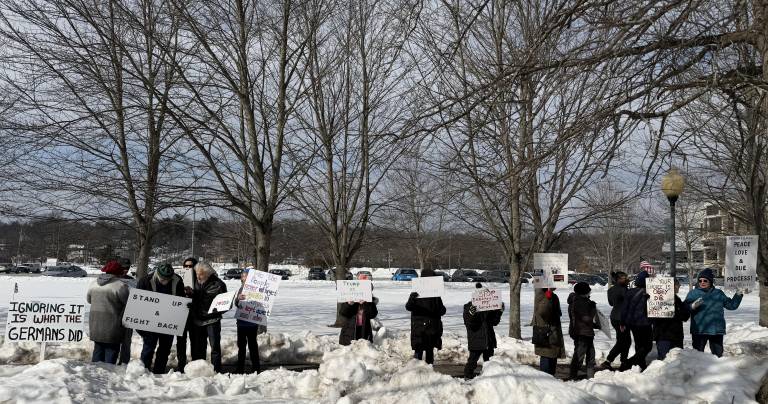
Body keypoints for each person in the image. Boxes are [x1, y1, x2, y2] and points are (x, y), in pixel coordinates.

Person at [136, 263, 186, 374]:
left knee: (165, 348)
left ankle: (159, 371)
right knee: (148, 347)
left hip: (168, 320)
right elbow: (138, 303)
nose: (165, 281)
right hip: (150, 321)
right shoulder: (145, 281)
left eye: (167, 279)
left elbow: (181, 298)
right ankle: (143, 370)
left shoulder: (177, 281)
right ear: (157, 274)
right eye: (162, 279)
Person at [684, 268, 743, 357]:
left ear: (710, 281)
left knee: (717, 356)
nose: (702, 282)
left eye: (705, 280)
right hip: (699, 330)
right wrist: (691, 306)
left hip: (716, 330)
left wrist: (738, 294)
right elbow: (684, 309)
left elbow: (731, 306)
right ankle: (698, 371)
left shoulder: (718, 293)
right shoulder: (693, 294)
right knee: (697, 356)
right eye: (700, 280)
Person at [86, 260, 130, 364]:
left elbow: (89, 300)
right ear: (118, 272)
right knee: (111, 352)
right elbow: (128, 303)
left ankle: (94, 375)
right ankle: (108, 376)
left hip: (95, 324)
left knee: (98, 349)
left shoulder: (93, 283)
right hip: (113, 326)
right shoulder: (120, 286)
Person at [188, 261, 226, 372]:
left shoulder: (218, 284)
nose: (198, 277)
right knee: (199, 346)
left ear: (208, 274)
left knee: (214, 347)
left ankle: (216, 370)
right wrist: (191, 294)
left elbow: (208, 301)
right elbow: (199, 296)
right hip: (198, 320)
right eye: (197, 274)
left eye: (201, 274)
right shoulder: (196, 281)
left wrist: (194, 301)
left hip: (212, 320)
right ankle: (199, 369)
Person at [405, 268, 447, 365]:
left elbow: (442, 310)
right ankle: (420, 371)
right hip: (421, 328)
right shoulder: (416, 294)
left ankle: (426, 372)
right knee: (422, 351)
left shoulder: (435, 295)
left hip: (427, 328)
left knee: (427, 351)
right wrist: (412, 299)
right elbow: (408, 307)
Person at [463, 283, 504, 379]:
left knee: (489, 363)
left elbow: (494, 322)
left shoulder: (489, 307)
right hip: (476, 339)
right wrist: (471, 314)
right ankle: (468, 377)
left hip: (488, 339)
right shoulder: (469, 307)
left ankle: (489, 379)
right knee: (472, 361)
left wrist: (499, 312)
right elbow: (469, 324)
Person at [567, 282, 600, 379]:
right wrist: (593, 309)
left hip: (586, 332)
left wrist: (594, 325)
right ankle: (573, 377)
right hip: (580, 332)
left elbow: (585, 319)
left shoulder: (583, 301)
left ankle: (590, 377)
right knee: (579, 355)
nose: (590, 292)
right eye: (588, 290)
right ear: (584, 292)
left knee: (591, 355)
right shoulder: (578, 302)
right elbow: (586, 318)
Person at [620, 270, 652, 370]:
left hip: (632, 323)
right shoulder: (649, 294)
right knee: (647, 346)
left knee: (639, 345)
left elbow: (624, 308)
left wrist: (622, 322)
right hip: (645, 323)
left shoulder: (629, 292)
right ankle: (630, 362)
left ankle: (641, 365)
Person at [653, 278, 690, 360]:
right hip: (664, 336)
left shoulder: (677, 299)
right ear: (671, 287)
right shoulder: (657, 300)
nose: (679, 286)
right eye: (677, 285)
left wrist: (688, 309)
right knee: (664, 361)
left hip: (675, 336)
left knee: (676, 362)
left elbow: (684, 317)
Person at [601, 271, 631, 370]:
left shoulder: (610, 290)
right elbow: (629, 302)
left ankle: (623, 362)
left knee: (623, 340)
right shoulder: (623, 289)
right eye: (624, 278)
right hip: (622, 319)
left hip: (614, 317)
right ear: (618, 279)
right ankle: (609, 360)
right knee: (624, 341)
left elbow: (611, 303)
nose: (627, 280)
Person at [532, 287, 565, 376]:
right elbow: (543, 312)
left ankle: (551, 381)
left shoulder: (553, 296)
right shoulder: (542, 295)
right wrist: (548, 295)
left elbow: (556, 312)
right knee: (546, 356)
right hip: (545, 333)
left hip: (553, 332)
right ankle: (546, 382)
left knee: (552, 356)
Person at [234, 268, 261, 374]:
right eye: (242, 276)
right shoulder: (241, 288)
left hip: (252, 323)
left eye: (245, 276)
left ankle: (256, 368)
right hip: (241, 322)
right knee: (241, 346)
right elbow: (237, 304)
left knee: (252, 345)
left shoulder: (256, 289)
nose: (243, 278)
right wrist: (237, 299)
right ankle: (240, 368)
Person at [176, 257, 198, 371]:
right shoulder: (178, 279)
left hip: (195, 316)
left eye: (191, 266)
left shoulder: (199, 279)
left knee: (194, 341)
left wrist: (194, 294)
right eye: (186, 266)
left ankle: (194, 365)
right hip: (181, 315)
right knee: (181, 341)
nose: (188, 268)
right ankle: (181, 365)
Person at [116, 257, 136, 365]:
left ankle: (124, 363)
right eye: (123, 268)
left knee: (126, 342)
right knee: (113, 342)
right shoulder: (112, 279)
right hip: (114, 315)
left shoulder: (131, 280)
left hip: (128, 315)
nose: (125, 270)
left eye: (127, 268)